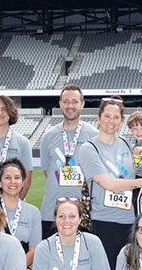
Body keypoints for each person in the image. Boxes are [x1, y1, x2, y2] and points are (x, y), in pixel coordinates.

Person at [77, 96, 142, 270]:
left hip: (129, 221)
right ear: (98, 118)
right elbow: (108, 184)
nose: (111, 120)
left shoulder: (128, 144)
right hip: (103, 222)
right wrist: (141, 182)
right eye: (107, 115)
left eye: (116, 117)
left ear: (121, 120)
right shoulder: (89, 148)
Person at [39, 84, 99, 239]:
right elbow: (48, 172)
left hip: (84, 215)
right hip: (52, 212)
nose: (70, 106)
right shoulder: (48, 137)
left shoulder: (94, 136)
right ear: (60, 104)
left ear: (82, 104)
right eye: (65, 101)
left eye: (74, 101)